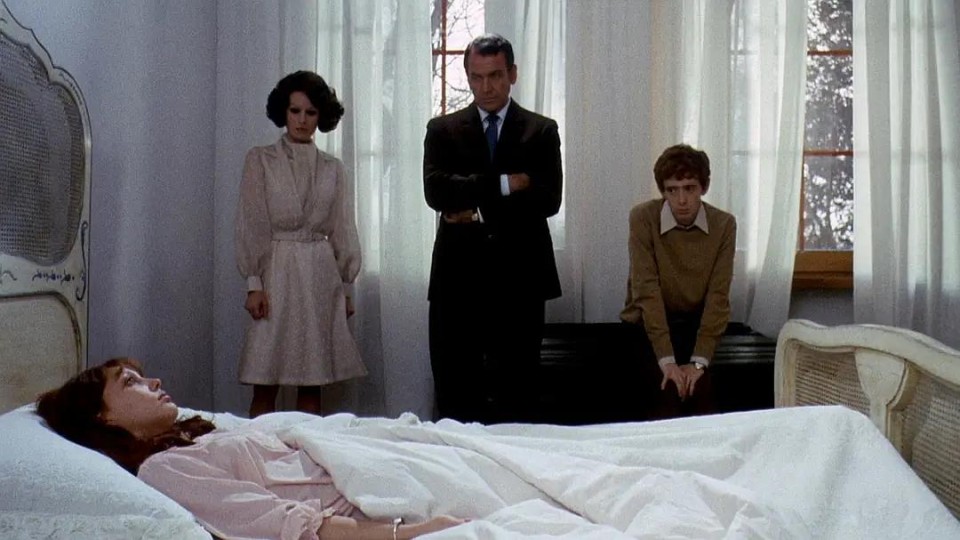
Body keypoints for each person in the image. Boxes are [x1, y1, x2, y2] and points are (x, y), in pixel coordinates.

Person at [35, 358, 467, 540]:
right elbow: (295, 525)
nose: (154, 382)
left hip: (365, 460)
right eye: (130, 382)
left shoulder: (195, 436)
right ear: (103, 418)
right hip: (368, 498)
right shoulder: (164, 470)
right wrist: (410, 532)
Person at [423, 34, 563, 424]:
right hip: (457, 280)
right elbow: (436, 192)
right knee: (455, 396)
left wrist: (473, 210)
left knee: (517, 396)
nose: (486, 87)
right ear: (468, 76)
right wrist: (505, 184)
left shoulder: (541, 131)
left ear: (512, 74)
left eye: (496, 76)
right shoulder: (442, 129)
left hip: (521, 280)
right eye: (477, 77)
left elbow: (547, 200)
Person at [236, 71, 367, 418]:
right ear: (283, 112)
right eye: (295, 111)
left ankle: (306, 446)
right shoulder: (260, 160)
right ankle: (259, 446)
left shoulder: (333, 169)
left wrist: (345, 288)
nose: (302, 120)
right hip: (276, 273)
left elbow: (343, 228)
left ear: (321, 116)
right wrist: (254, 284)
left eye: (310, 113)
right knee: (265, 378)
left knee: (313, 379)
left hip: (320, 275)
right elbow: (252, 223)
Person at [620, 144, 737, 419]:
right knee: (666, 394)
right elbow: (646, 292)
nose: (681, 199)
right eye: (672, 190)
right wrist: (668, 362)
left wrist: (698, 363)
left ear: (703, 188)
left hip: (695, 325)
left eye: (689, 188)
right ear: (663, 191)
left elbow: (718, 297)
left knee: (702, 396)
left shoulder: (723, 225)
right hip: (646, 326)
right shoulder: (643, 218)